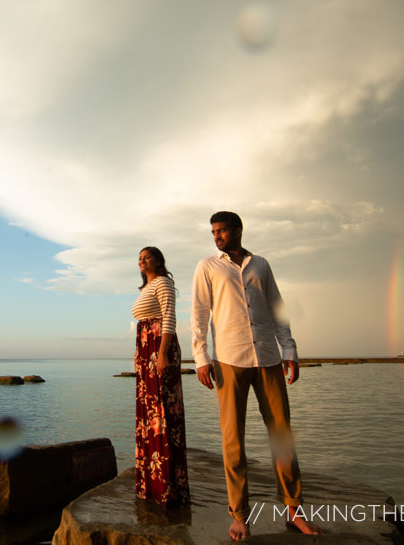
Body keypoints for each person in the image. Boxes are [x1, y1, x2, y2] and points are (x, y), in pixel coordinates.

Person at [191, 211, 321, 539]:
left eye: (222, 230)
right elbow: (200, 313)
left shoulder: (261, 264)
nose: (217, 236)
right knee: (233, 441)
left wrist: (289, 351)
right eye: (214, 232)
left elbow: (277, 309)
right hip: (229, 360)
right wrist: (201, 357)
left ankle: (294, 511)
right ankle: (239, 515)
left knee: (282, 436)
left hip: (268, 358)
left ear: (238, 230)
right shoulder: (208, 266)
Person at [131, 246, 191, 508]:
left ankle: (168, 487)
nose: (143, 261)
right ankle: (152, 484)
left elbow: (169, 318)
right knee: (149, 414)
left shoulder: (164, 282)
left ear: (158, 261)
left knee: (162, 414)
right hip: (147, 350)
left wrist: (162, 353)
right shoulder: (146, 287)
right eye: (140, 258)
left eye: (148, 257)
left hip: (158, 347)